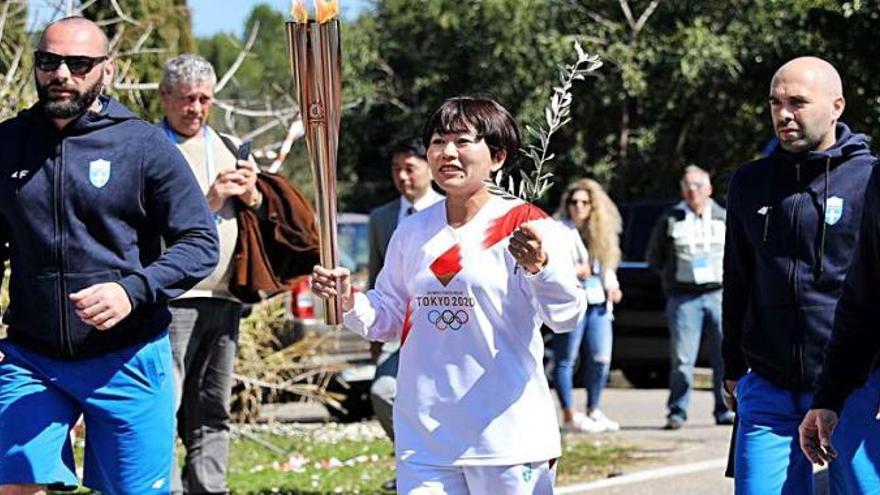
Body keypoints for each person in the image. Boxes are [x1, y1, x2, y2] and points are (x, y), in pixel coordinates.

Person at [311, 96, 586, 493]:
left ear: (497, 156)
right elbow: (388, 317)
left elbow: (567, 317)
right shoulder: (413, 231)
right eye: (438, 141)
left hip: (506, 436)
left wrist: (539, 269)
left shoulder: (528, 226)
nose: (447, 152)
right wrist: (348, 298)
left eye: (462, 141)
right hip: (427, 436)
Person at [0, 17, 218, 494]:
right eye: (48, 62)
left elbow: (201, 242)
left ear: (108, 71)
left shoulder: (142, 146)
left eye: (79, 64)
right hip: (32, 356)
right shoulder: (8, 143)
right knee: (14, 483)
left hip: (128, 355)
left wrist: (131, 290)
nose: (61, 74)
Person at [722, 56, 876, 494]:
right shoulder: (749, 182)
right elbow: (737, 276)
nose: (784, 114)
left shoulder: (870, 180)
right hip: (768, 383)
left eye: (798, 102)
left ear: (837, 106)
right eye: (775, 103)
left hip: (854, 384)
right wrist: (733, 364)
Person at [158, 54, 261, 495]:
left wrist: (254, 193)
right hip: (172, 299)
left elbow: (256, 215)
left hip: (224, 298)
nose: (195, 109)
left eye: (204, 99)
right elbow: (144, 225)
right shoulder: (150, 147)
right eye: (186, 99)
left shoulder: (225, 143)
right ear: (164, 97)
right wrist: (211, 199)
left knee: (212, 406)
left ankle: (208, 487)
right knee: (166, 405)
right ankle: (162, 487)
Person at [367, 136, 443, 491]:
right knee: (384, 390)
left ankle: (444, 463)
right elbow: (376, 275)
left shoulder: (449, 211)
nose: (402, 176)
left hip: (444, 327)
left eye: (409, 168)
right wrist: (373, 333)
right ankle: (415, 460)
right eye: (396, 169)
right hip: (399, 329)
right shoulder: (381, 218)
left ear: (428, 168)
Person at [646, 166, 734, 430]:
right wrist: (670, 282)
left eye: (697, 185)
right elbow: (655, 257)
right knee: (683, 360)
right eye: (687, 186)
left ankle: (724, 410)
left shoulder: (723, 217)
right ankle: (677, 412)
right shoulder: (670, 218)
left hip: (719, 294)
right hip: (684, 298)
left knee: (724, 357)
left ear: (709, 189)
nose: (692, 190)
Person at [551, 178, 623, 433]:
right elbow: (549, 265)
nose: (578, 207)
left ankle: (594, 409)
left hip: (598, 302)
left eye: (584, 202)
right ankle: (569, 414)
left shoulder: (601, 232)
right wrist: (572, 271)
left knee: (601, 358)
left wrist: (612, 284)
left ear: (593, 206)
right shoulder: (558, 230)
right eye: (573, 202)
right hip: (572, 300)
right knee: (566, 359)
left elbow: (608, 265)